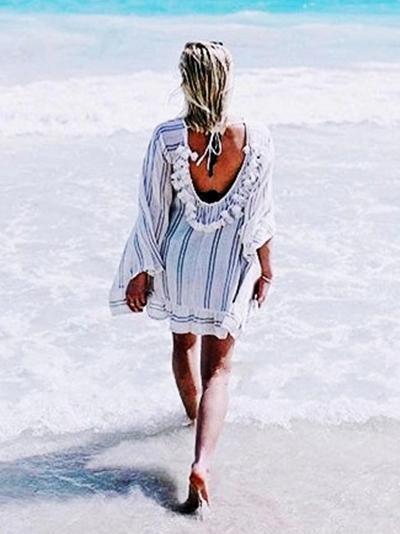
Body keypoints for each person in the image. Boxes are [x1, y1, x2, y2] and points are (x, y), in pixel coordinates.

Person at [108, 40, 276, 513]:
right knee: (218, 369)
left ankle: (191, 419)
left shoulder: (167, 137)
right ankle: (202, 459)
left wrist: (141, 271)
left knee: (183, 345)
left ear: (186, 81)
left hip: (180, 260)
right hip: (229, 264)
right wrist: (266, 267)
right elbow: (260, 216)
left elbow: (151, 213)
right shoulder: (257, 138)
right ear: (226, 80)